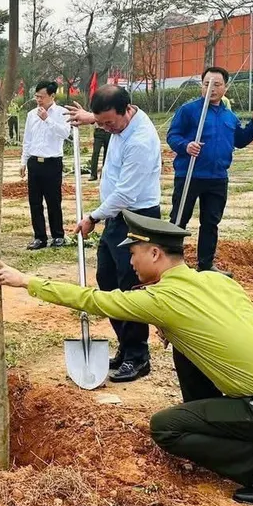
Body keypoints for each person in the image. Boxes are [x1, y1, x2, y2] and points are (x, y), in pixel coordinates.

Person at [0, 210, 253, 504]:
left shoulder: (163, 299)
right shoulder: (215, 280)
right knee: (184, 350)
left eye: (133, 254)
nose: (130, 262)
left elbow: (93, 300)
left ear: (154, 253)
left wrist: (26, 280)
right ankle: (222, 428)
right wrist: (172, 327)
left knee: (166, 427)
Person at [66, 85, 162, 383]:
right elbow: (104, 119)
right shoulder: (121, 123)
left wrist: (93, 217)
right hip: (116, 218)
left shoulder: (141, 141)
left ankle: (138, 356)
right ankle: (125, 345)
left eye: (109, 123)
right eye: (101, 122)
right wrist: (88, 118)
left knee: (129, 286)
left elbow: (125, 194)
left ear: (127, 110)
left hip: (136, 219)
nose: (106, 128)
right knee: (107, 280)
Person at [166, 67, 253, 276]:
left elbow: (239, 141)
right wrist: (186, 146)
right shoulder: (188, 111)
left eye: (217, 85)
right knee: (179, 219)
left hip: (217, 177)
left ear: (225, 87)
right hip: (189, 175)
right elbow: (173, 135)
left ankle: (205, 264)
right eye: (207, 84)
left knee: (211, 221)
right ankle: (171, 264)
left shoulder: (229, 116)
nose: (211, 89)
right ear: (201, 85)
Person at [20, 81, 71, 250]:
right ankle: (40, 237)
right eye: (36, 96)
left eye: (41, 97)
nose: (38, 100)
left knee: (53, 201)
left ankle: (58, 235)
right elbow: (27, 140)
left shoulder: (62, 112)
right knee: (35, 202)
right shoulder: (31, 115)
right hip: (35, 162)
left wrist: (47, 119)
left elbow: (65, 133)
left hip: (52, 162)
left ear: (52, 96)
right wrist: (23, 162)